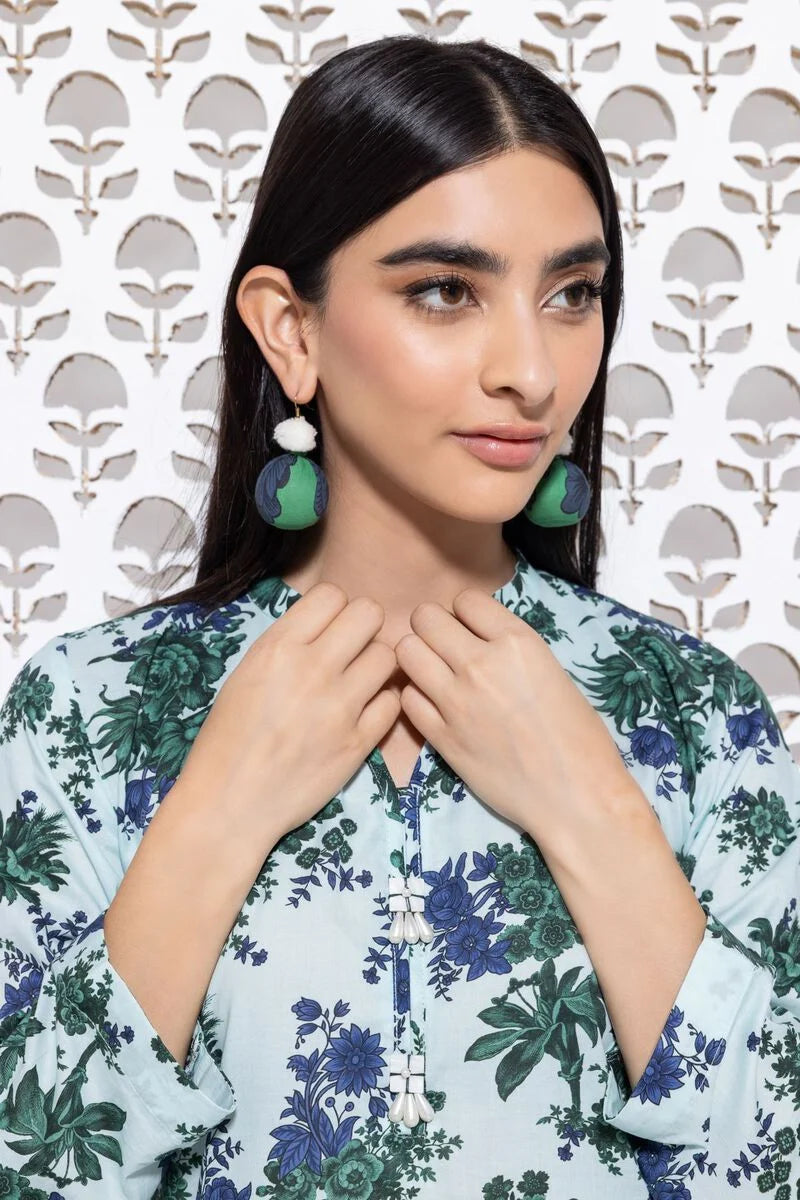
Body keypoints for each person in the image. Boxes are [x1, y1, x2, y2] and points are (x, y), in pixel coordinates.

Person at [1, 33, 798, 1200]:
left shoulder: (696, 714)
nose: (530, 370)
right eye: (444, 291)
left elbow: (767, 1166)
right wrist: (214, 814)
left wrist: (593, 811)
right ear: (291, 328)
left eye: (571, 295)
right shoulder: (83, 709)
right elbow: (32, 1170)